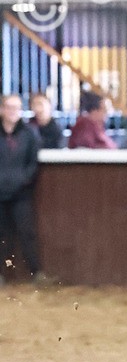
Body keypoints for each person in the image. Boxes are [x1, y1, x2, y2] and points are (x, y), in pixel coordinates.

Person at [0, 93, 54, 286]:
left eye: (17, 108)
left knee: (26, 232)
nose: (13, 111)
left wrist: (23, 179)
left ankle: (36, 273)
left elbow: (33, 162)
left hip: (21, 192)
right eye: (9, 107)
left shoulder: (29, 133)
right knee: (2, 235)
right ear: (2, 110)